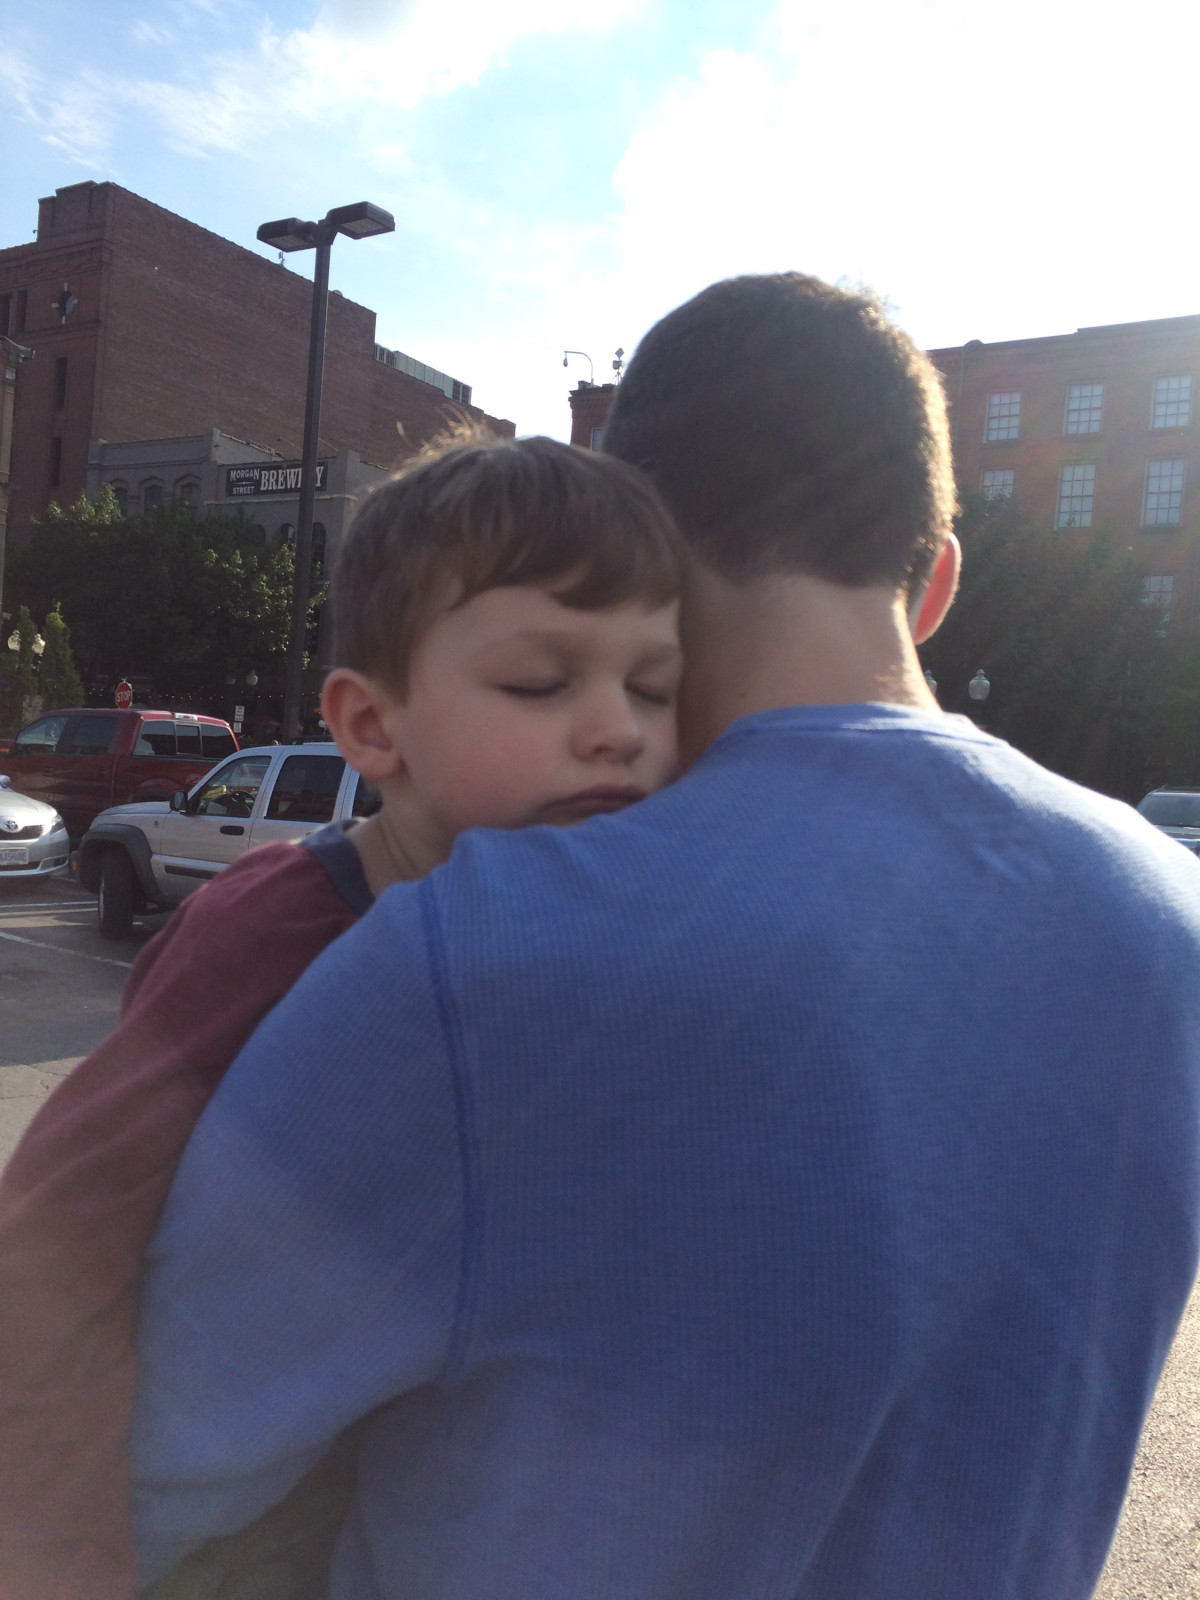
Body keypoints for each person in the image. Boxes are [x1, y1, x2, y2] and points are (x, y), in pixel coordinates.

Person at [131, 274, 1200, 1600]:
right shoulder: (1172, 930)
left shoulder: (478, 954)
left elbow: (123, 1474)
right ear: (936, 585)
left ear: (638, 541)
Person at [0, 432, 683, 1600]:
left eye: (656, 687)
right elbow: (57, 1239)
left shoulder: (599, 928)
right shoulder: (267, 930)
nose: (619, 727)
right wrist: (59, 1561)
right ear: (371, 728)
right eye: (540, 681)